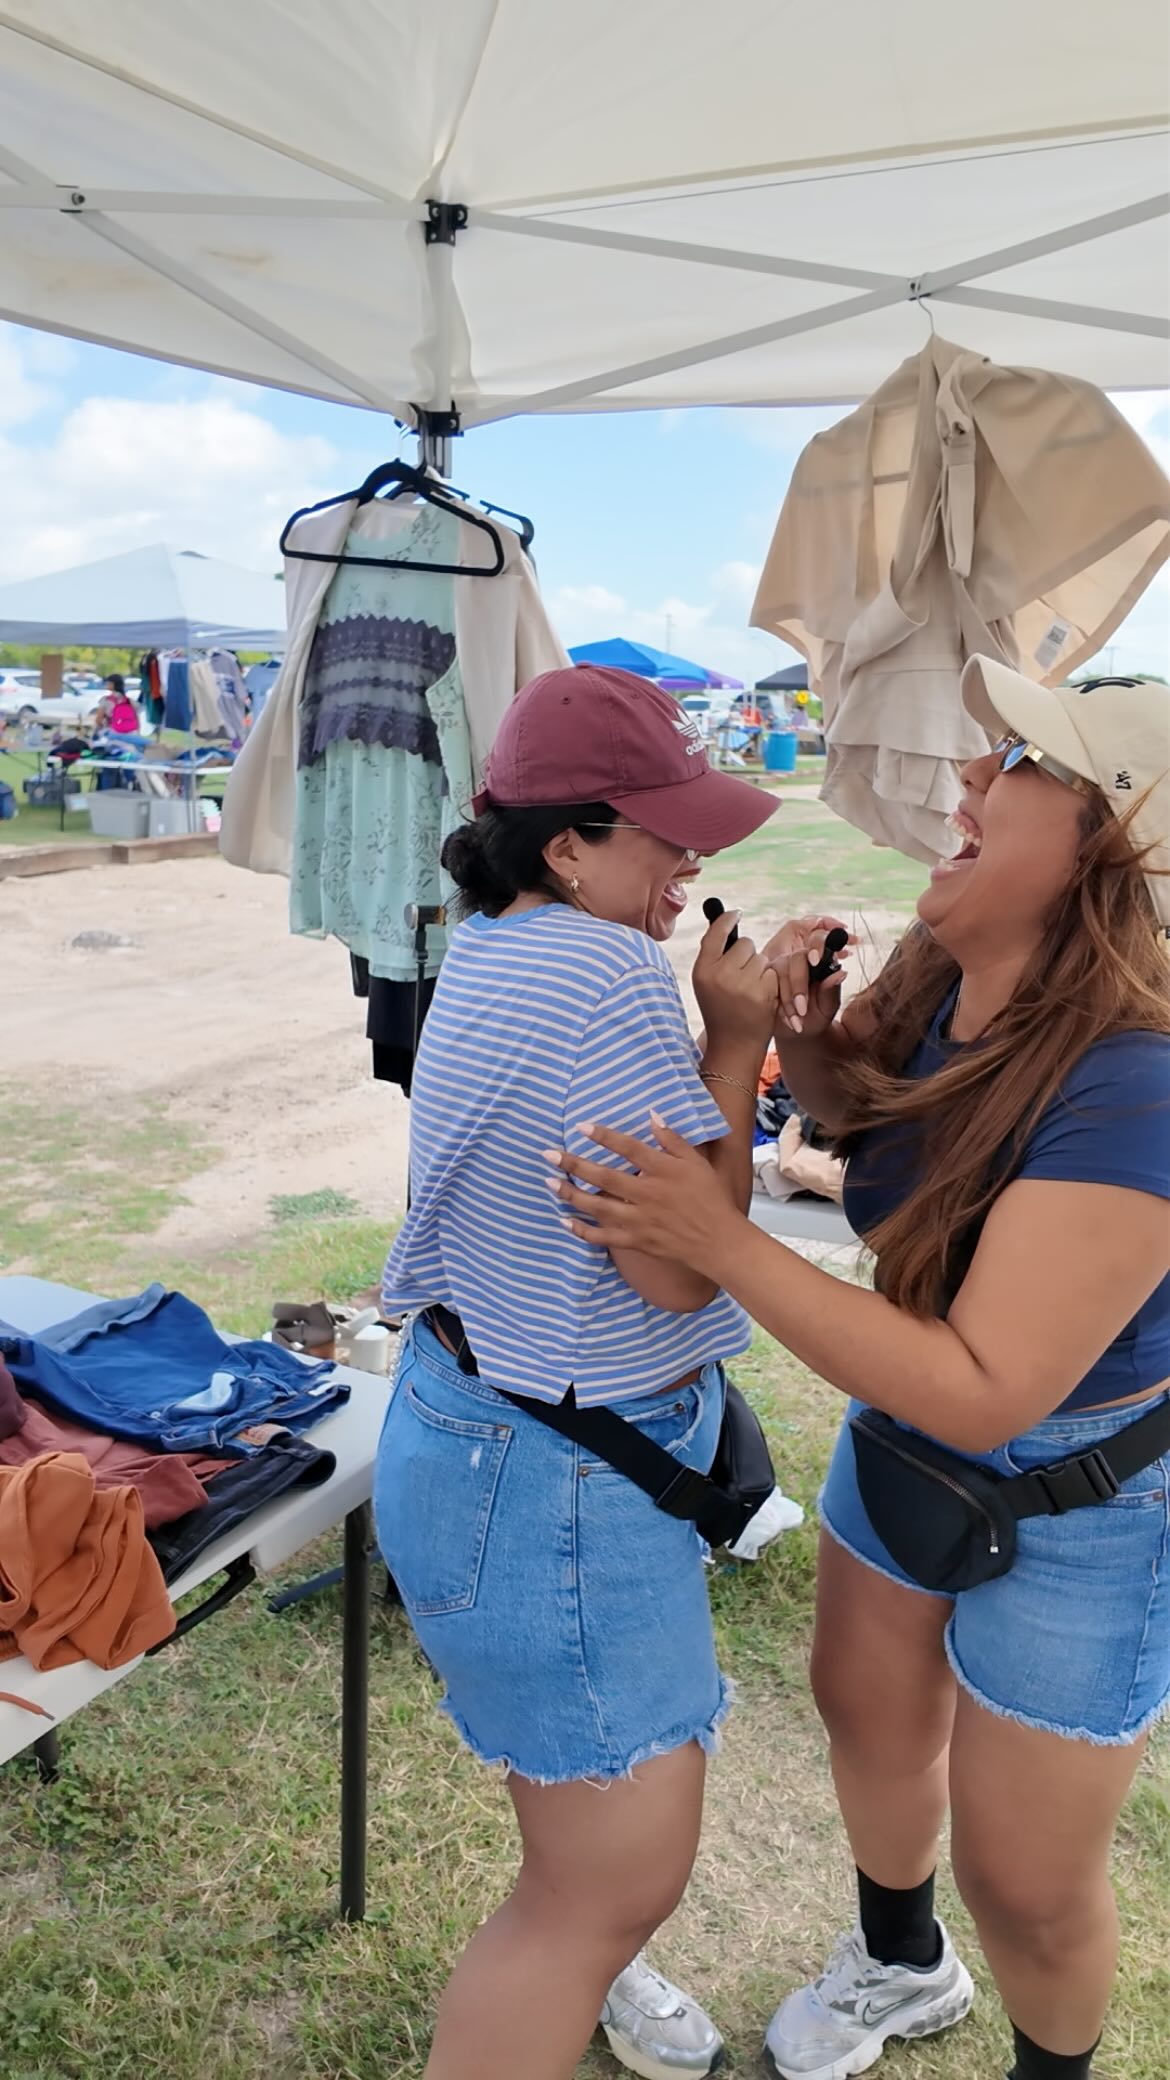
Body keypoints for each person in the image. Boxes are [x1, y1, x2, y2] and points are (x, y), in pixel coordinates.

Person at [545, 664, 1170, 2080]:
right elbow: (865, 1117)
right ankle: (903, 1960)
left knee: (1027, 1877)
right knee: (869, 1714)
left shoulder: (1137, 1075)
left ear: (1114, 833)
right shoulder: (946, 970)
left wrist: (719, 1238)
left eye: (1022, 760)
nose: (970, 774)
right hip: (906, 1427)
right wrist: (802, 1043)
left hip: (1084, 1489)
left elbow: (987, 1385)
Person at [375, 664, 779, 2080]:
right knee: (600, 1894)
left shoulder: (494, 943)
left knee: (576, 1874)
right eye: (668, 835)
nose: (691, 865)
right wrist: (739, 1041)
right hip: (556, 1481)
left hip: (483, 1430)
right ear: (568, 845)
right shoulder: (604, 974)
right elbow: (683, 1266)